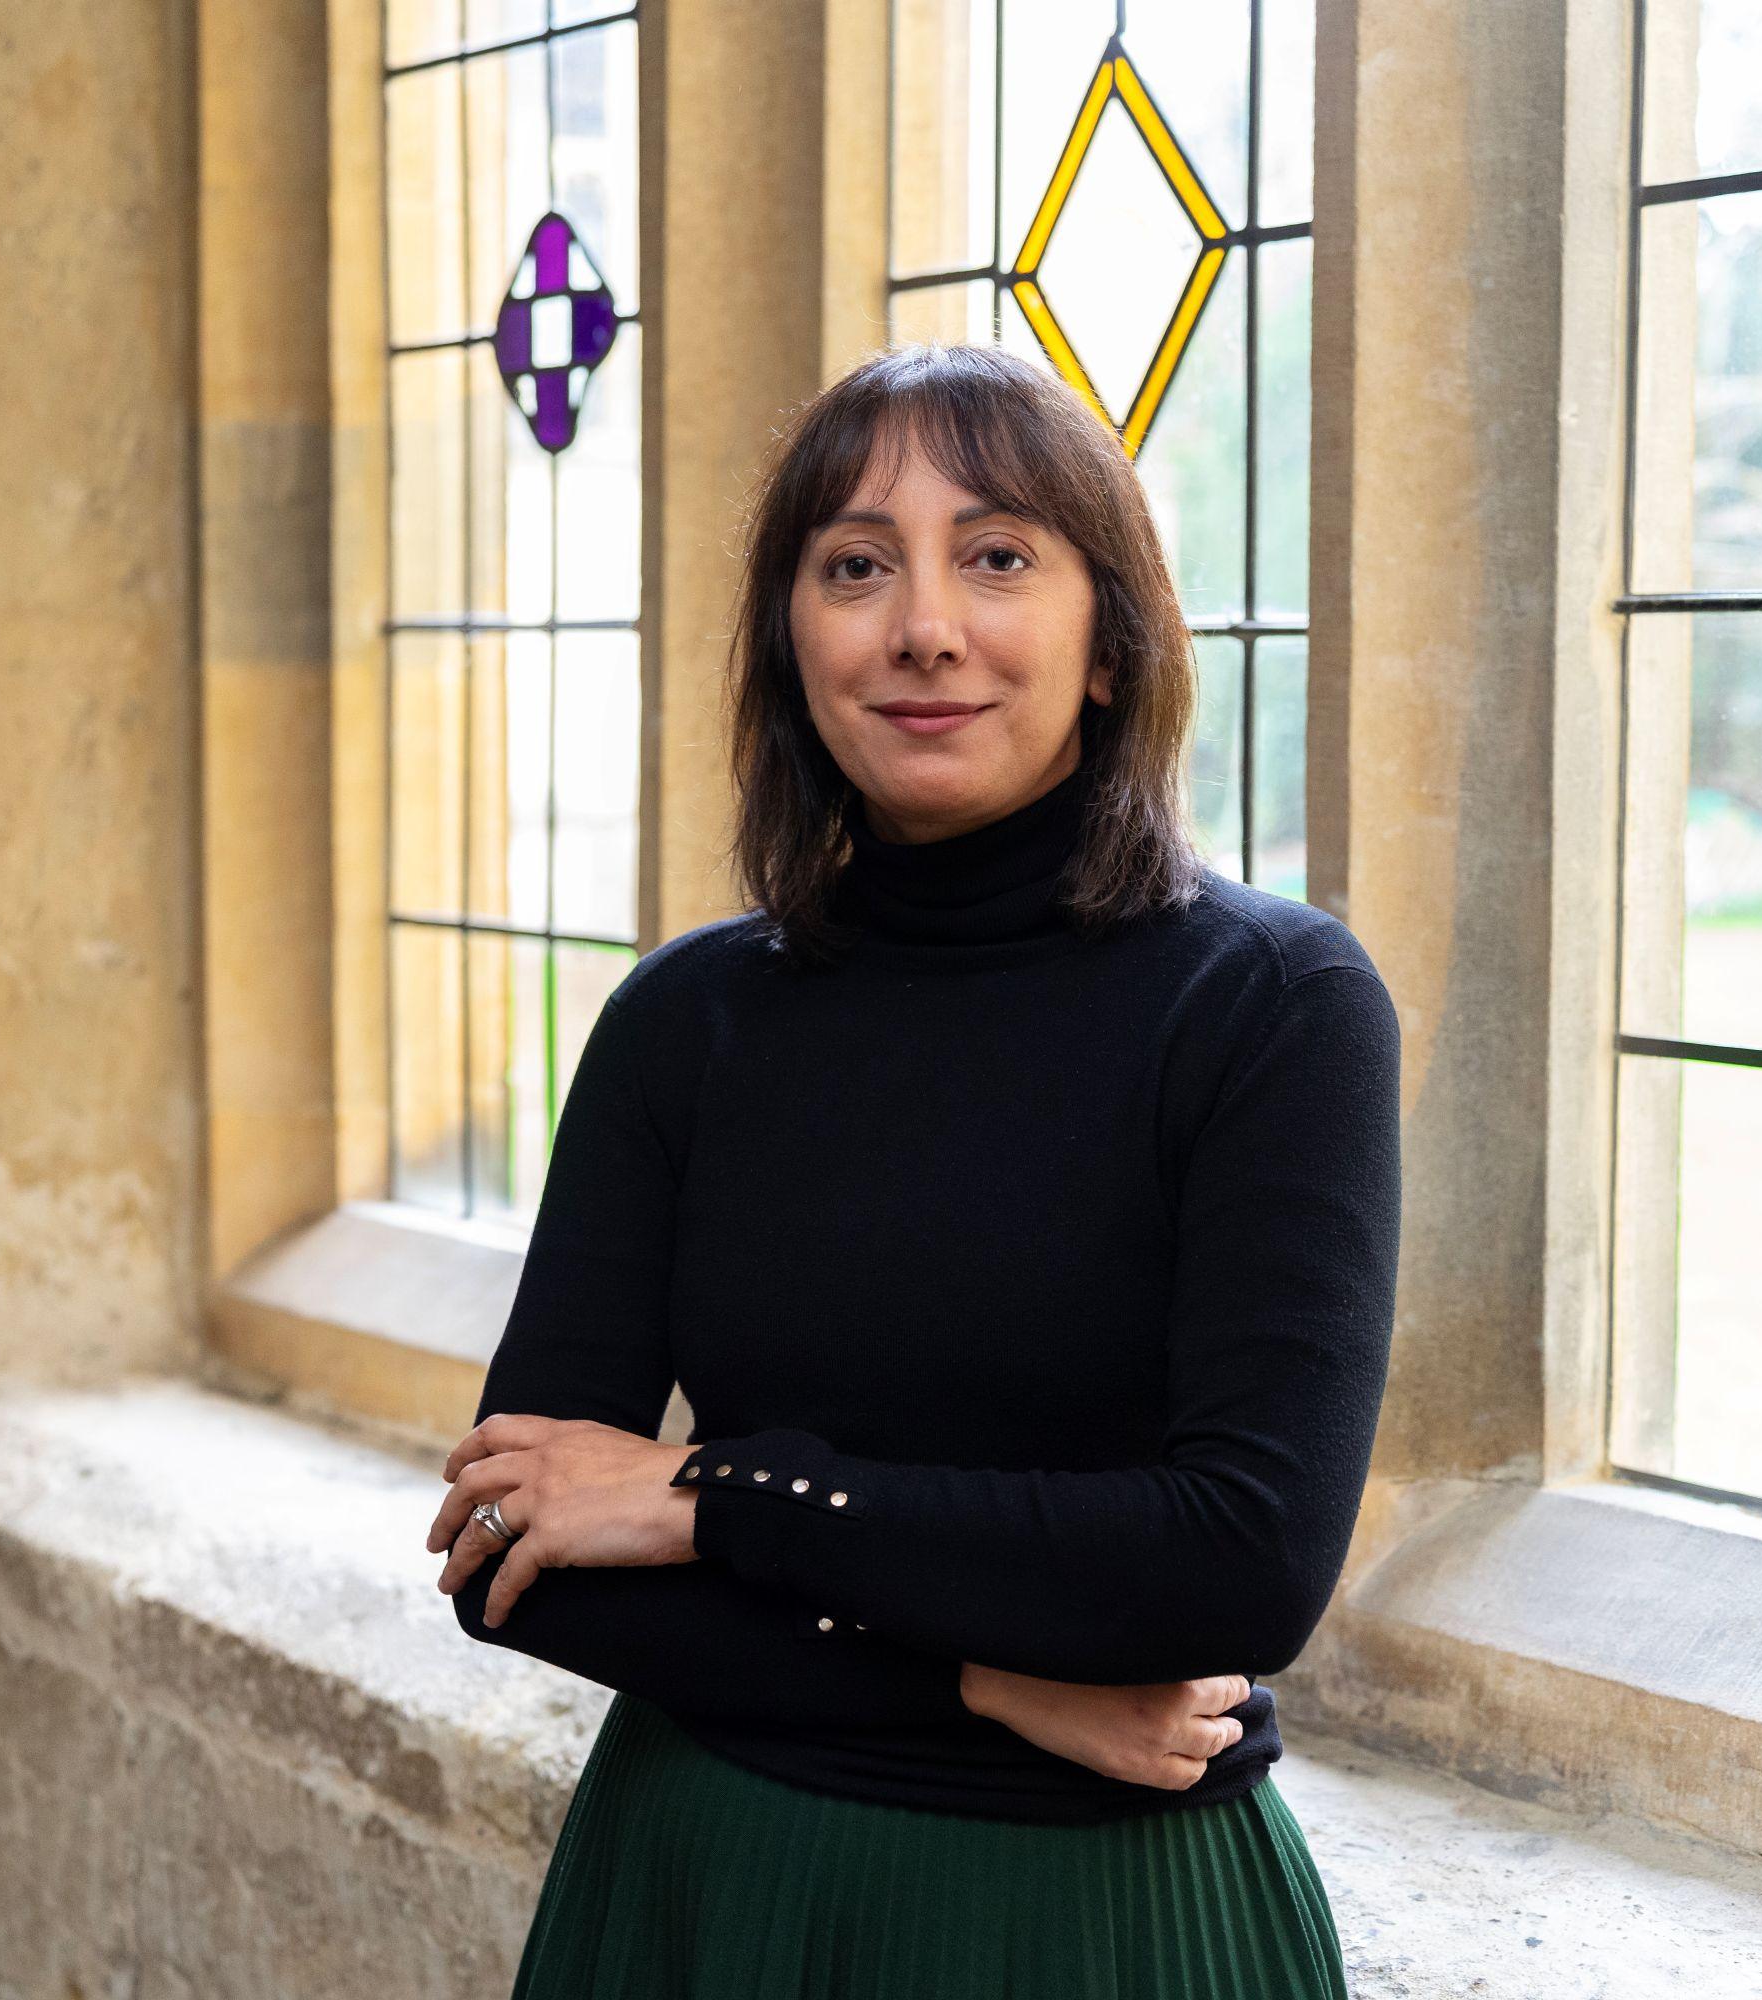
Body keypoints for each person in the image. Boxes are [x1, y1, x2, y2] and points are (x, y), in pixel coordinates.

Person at [426, 340, 1401, 1996]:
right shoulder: (688, 1020)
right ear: (792, 642)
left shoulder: (1274, 1008)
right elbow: (513, 1560)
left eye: (1000, 555)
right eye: (857, 566)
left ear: (1111, 642)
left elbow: (1237, 1560)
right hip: (707, 1889)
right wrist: (989, 1681)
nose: (925, 625)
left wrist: (704, 1497)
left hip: (1103, 1928)